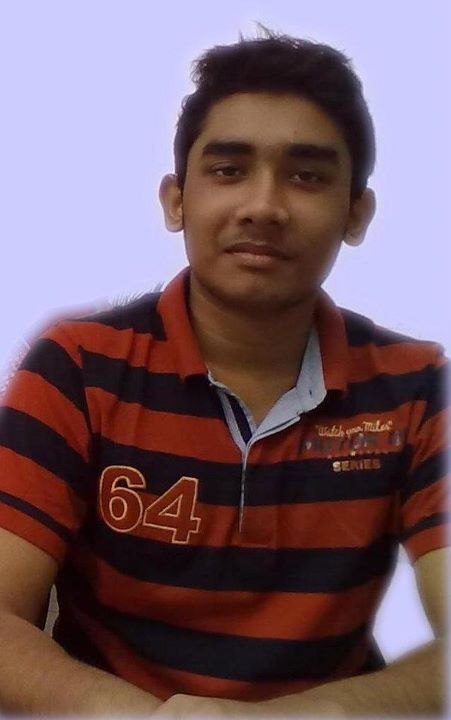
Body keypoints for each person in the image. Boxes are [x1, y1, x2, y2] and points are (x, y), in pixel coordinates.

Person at [0, 26, 448, 717]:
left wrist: (293, 719)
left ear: (356, 213)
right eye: (228, 170)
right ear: (176, 200)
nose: (263, 206)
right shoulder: (77, 368)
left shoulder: (417, 389)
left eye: (307, 175)